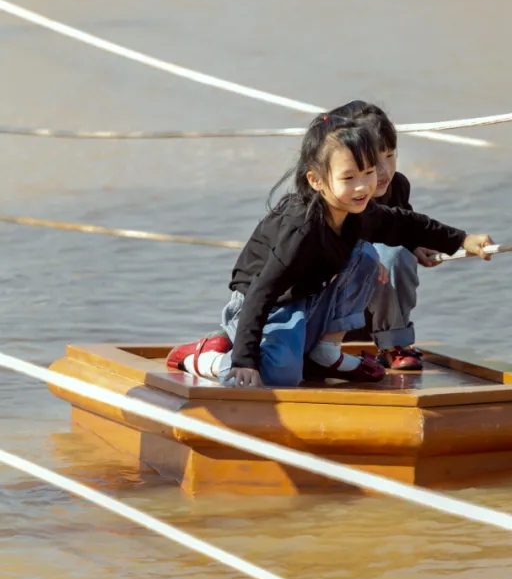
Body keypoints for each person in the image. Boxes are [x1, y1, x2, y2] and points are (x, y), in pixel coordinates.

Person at [165, 112, 493, 388]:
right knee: (279, 377)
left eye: (367, 173)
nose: (363, 186)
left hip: (311, 297)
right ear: (317, 181)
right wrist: (243, 360)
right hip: (270, 304)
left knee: (366, 256)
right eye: (349, 177)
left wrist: (461, 239)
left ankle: (325, 350)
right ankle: (205, 356)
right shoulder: (301, 229)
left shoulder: (358, 212)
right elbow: (260, 292)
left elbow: (405, 223)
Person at [332, 100, 436, 371]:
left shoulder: (398, 186)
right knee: (380, 254)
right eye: (372, 161)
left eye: (390, 156)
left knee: (397, 254)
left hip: (376, 312)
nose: (383, 170)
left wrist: (415, 245)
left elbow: (403, 225)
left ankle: (394, 344)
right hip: (332, 308)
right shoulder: (334, 197)